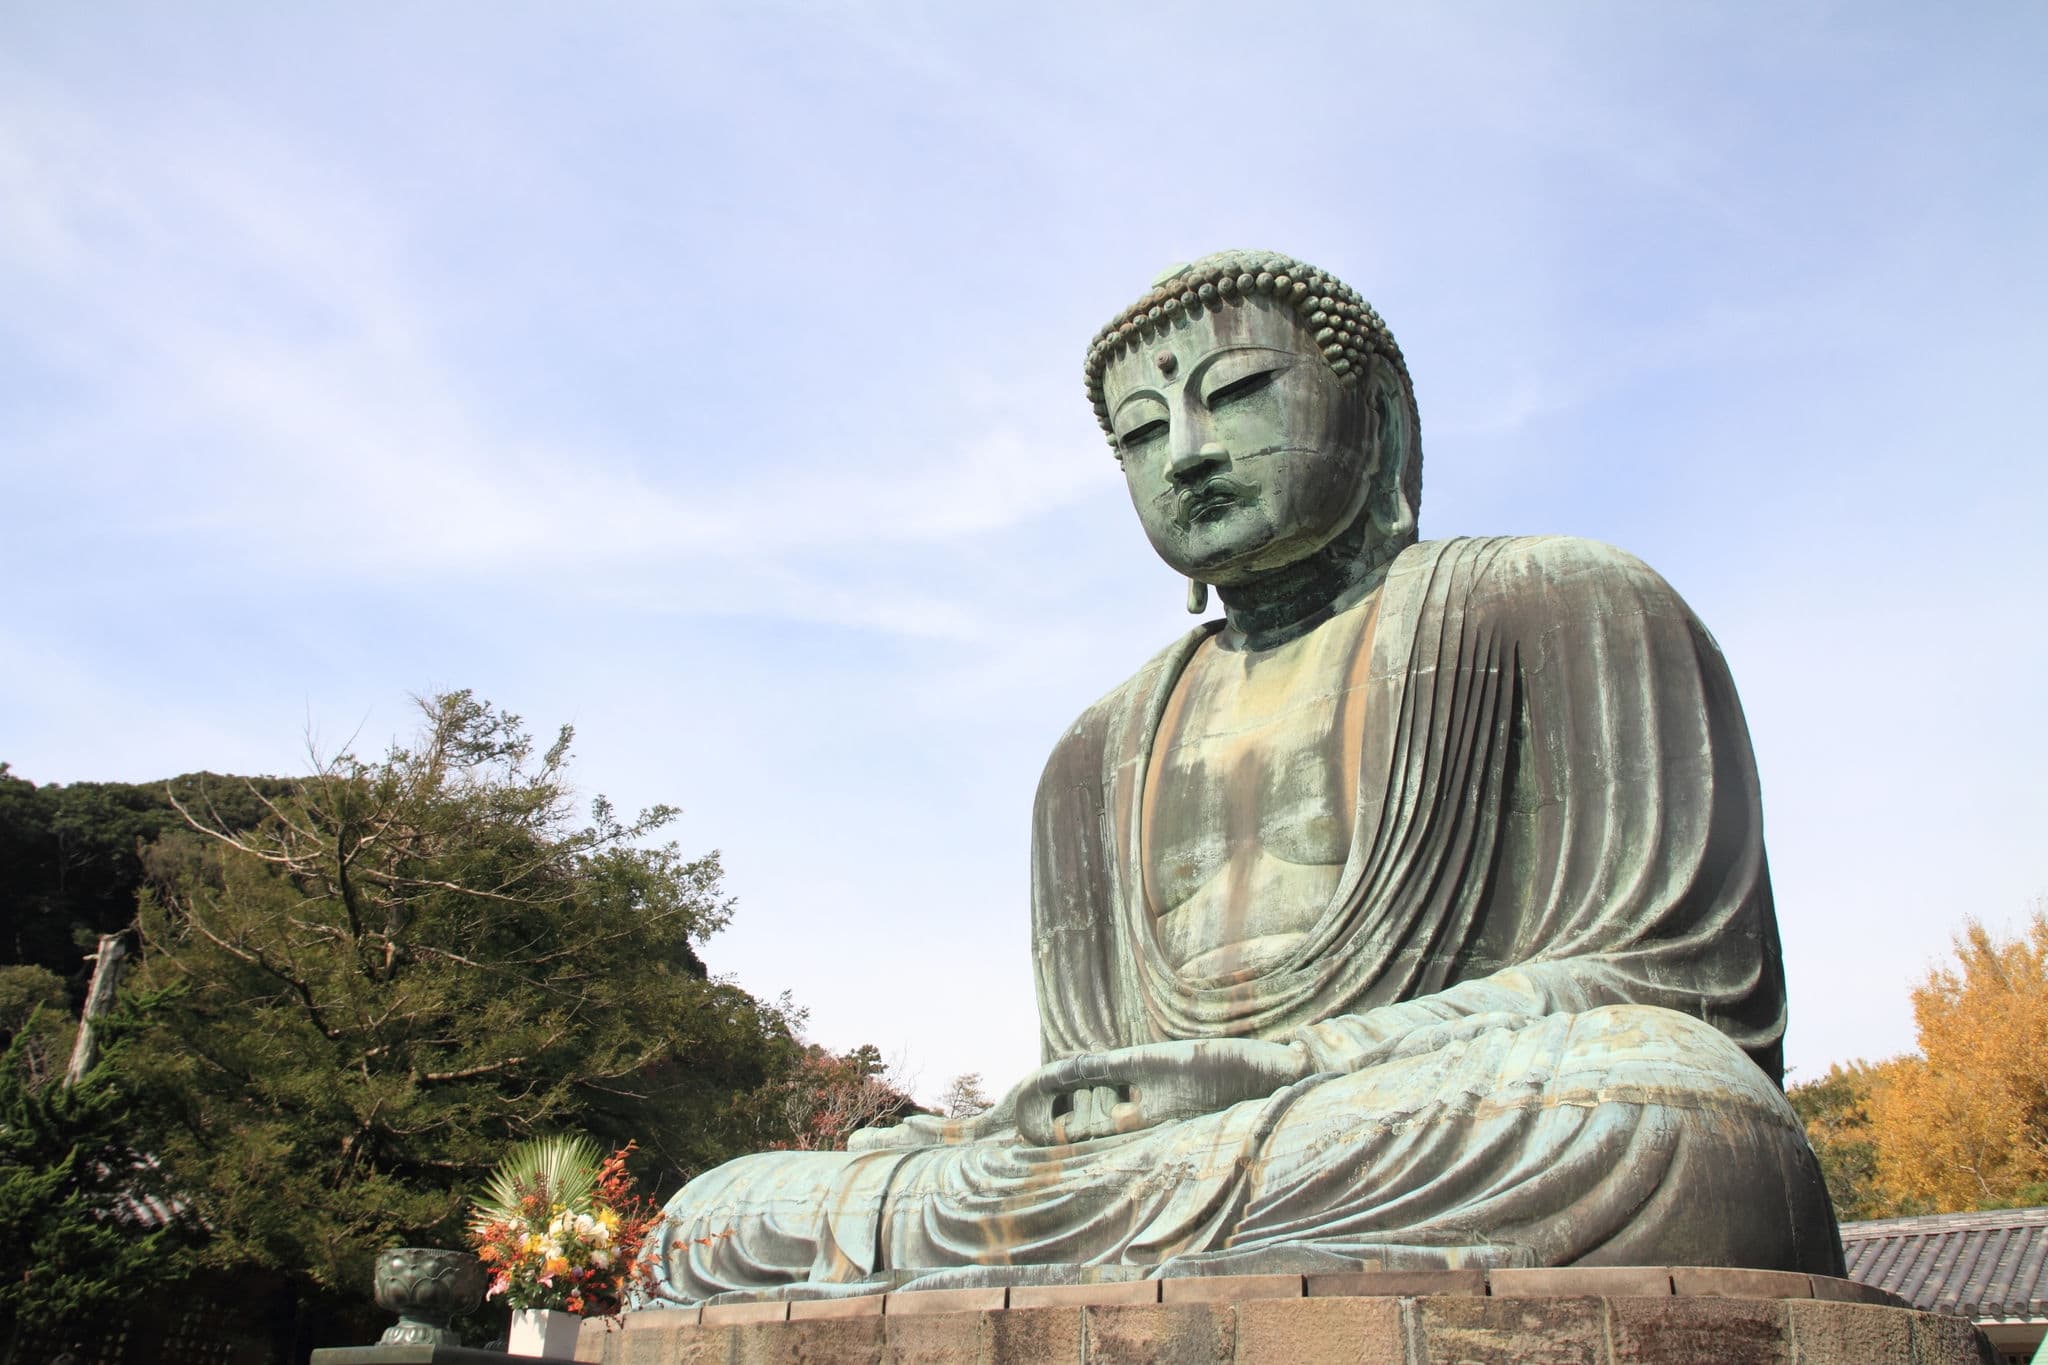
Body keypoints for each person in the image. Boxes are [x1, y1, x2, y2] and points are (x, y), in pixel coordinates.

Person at [646, 250, 1843, 1304]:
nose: (1189, 452)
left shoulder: (1563, 600)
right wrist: (1028, 1127)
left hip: (1401, 1110)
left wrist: (1286, 1067)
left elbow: (1680, 991)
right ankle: (1124, 1255)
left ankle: (1145, 1253)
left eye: (1234, 393)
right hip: (1185, 1163)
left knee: (1670, 1109)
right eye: (1141, 434)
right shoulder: (1091, 750)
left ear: (1372, 415)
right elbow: (1089, 1073)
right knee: (720, 1213)